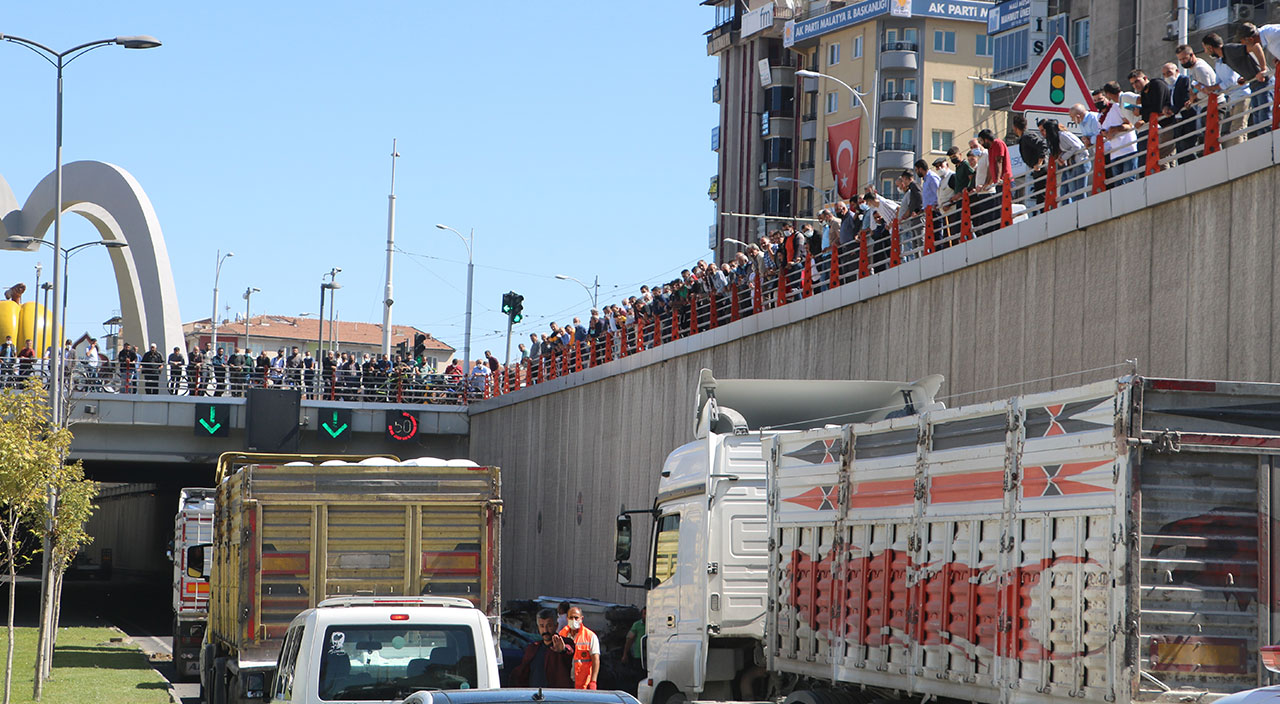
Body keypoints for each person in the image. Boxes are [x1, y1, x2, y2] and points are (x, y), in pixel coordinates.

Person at [511, 608, 574, 688]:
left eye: (549, 625)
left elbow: (569, 650)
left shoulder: (564, 643)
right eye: (542, 626)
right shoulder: (533, 648)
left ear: (556, 626)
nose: (545, 630)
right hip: (535, 696)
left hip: (556, 696)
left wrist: (563, 650)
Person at [557, 606, 600, 690]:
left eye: (576, 618)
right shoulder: (562, 634)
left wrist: (593, 681)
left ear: (581, 618)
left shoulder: (590, 636)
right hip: (566, 682)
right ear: (567, 618)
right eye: (571, 617)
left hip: (583, 683)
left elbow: (596, 660)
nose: (573, 620)